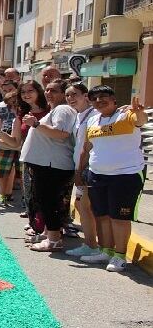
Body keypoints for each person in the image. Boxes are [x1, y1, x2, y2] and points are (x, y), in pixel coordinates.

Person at [76, 87, 148, 272]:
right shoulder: (93, 119)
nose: (99, 100)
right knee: (102, 216)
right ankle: (106, 251)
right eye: (95, 98)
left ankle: (120, 256)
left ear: (114, 99)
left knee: (119, 217)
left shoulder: (127, 114)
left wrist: (139, 112)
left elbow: (140, 120)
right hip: (97, 175)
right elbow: (87, 147)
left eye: (104, 97)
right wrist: (79, 171)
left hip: (126, 175)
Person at [5, 80, 77, 252]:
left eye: (54, 90)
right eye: (47, 89)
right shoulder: (55, 110)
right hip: (44, 164)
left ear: (62, 94)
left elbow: (61, 134)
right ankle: (48, 234)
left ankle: (54, 240)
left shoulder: (63, 109)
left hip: (52, 164)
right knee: (44, 201)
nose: (49, 93)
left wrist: (36, 124)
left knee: (49, 201)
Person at [64, 82, 101, 258]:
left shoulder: (94, 115)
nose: (71, 98)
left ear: (86, 96)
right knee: (82, 205)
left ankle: (92, 245)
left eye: (74, 94)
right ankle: (92, 243)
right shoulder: (78, 116)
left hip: (88, 167)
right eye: (68, 95)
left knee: (85, 206)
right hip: (79, 166)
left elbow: (89, 145)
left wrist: (81, 170)